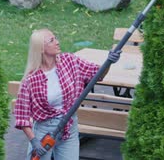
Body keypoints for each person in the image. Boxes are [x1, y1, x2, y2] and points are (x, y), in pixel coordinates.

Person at [14, 28, 120, 160]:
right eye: (52, 40)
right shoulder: (31, 80)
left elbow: (96, 74)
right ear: (41, 49)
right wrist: (34, 141)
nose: (57, 42)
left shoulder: (69, 61)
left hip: (69, 126)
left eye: (56, 38)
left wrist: (108, 62)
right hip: (44, 132)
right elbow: (22, 116)